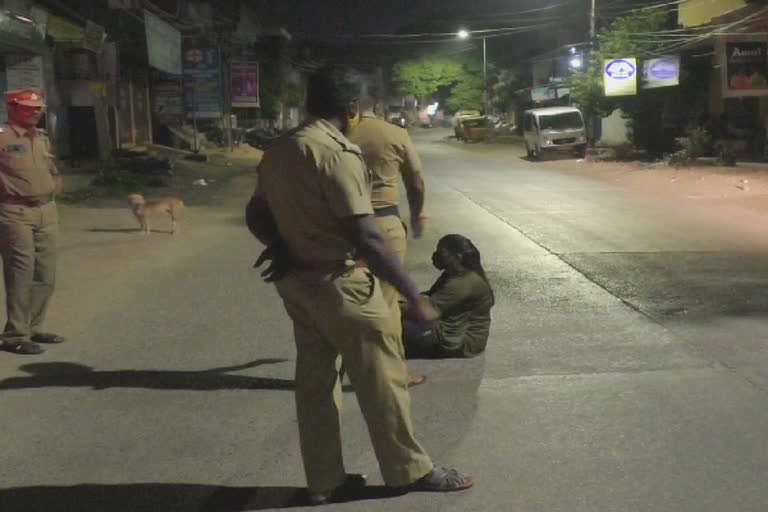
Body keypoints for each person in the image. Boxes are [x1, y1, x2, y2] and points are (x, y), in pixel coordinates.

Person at [246, 66, 472, 505]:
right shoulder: (337, 153)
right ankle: (409, 471)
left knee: (315, 383)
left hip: (297, 283)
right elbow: (366, 234)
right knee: (384, 379)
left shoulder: (280, 151)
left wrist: (280, 245)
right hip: (342, 283)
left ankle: (324, 482)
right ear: (352, 108)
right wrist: (410, 293)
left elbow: (256, 213)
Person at [347, 95, 428, 386]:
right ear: (378, 108)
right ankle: (393, 373)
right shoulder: (395, 134)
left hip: (343, 227)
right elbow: (415, 182)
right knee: (387, 303)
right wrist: (418, 214)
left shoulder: (339, 134)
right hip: (384, 223)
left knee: (348, 299)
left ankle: (351, 364)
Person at [0, 88, 65, 355]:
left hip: (46, 210)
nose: (35, 111)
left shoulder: (41, 137)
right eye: (28, 107)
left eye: (38, 108)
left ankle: (34, 327)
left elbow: (52, 170)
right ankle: (15, 334)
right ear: (12, 108)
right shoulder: (2, 137)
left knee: (46, 274)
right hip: (15, 211)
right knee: (20, 274)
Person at [403, 235, 494, 359]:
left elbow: (427, 311)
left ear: (457, 257)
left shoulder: (464, 282)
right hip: (451, 332)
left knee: (389, 326)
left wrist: (394, 305)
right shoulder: (452, 274)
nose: (436, 256)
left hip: (461, 342)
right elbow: (430, 296)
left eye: (442, 253)